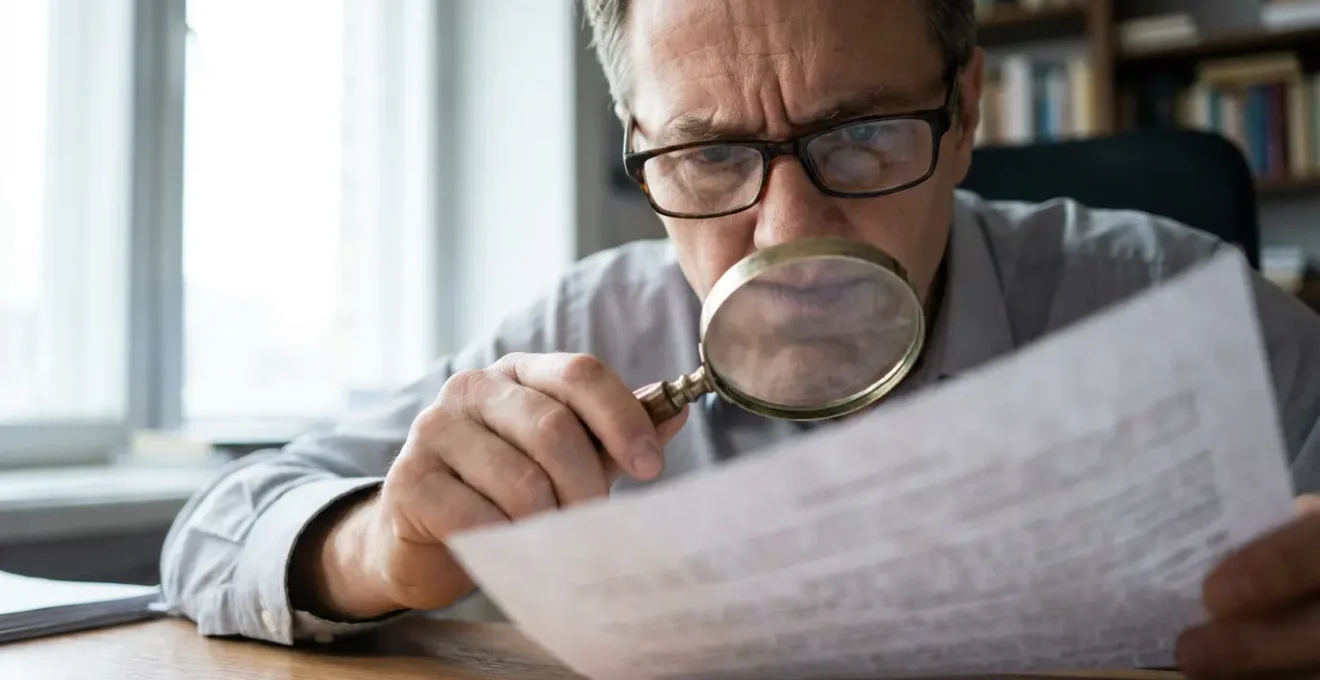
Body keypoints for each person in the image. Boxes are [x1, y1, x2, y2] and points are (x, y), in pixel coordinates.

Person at [159, 0, 1320, 676]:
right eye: (710, 154)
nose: (789, 233)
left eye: (859, 135)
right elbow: (212, 532)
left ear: (965, 110)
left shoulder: (1179, 310)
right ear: (639, 145)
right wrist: (383, 545)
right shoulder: (587, 329)